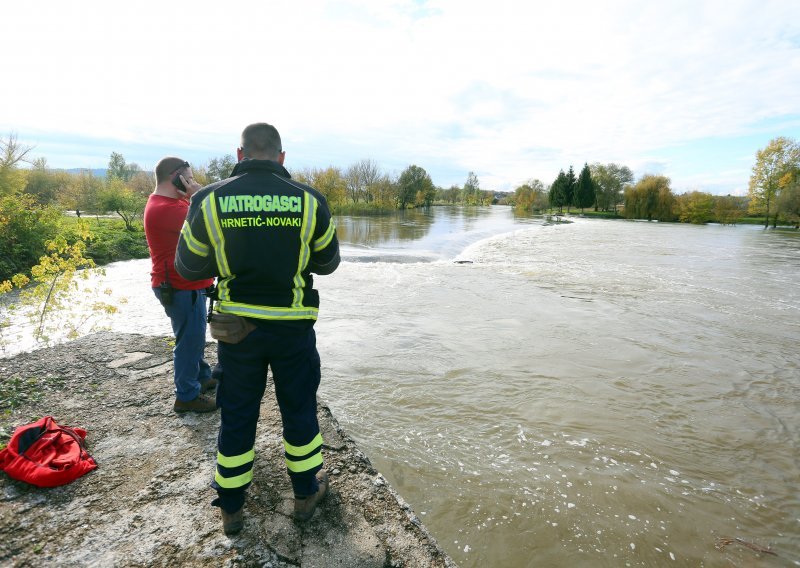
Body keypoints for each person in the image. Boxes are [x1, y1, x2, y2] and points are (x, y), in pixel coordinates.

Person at [175, 123, 340, 535]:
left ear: (240, 153)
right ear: (281, 157)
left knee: (237, 413)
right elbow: (327, 262)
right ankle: (305, 492)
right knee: (299, 410)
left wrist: (228, 257)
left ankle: (231, 507)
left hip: (237, 331)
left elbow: (187, 266)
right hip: (293, 328)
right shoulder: (310, 201)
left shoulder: (207, 200)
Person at [143, 157, 219, 413]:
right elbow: (210, 223)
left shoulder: (169, 203)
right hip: (180, 286)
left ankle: (201, 377)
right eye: (189, 177)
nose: (193, 181)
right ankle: (186, 395)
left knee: (193, 336)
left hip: (184, 284)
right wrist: (198, 196)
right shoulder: (168, 208)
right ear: (176, 177)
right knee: (190, 341)